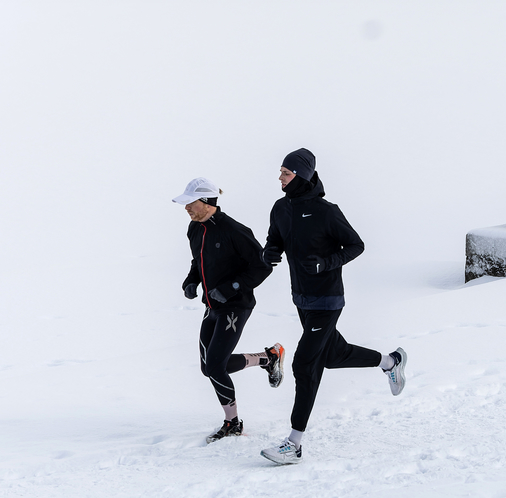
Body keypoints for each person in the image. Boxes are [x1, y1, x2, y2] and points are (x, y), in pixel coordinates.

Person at [259, 149, 406, 465]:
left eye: (286, 173)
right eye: (281, 172)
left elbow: (356, 245)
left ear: (302, 176)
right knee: (333, 355)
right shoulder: (281, 208)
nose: (280, 178)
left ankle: (293, 444)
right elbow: (275, 239)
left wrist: (325, 263)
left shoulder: (327, 212)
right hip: (301, 298)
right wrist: (268, 253)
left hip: (327, 300)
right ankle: (391, 362)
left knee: (304, 365)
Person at [172, 177, 285, 444]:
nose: (186, 208)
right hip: (212, 306)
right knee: (208, 367)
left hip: (236, 305)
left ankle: (232, 423)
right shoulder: (194, 228)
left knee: (215, 366)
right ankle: (268, 358)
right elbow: (197, 260)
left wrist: (232, 287)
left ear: (208, 202)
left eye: (191, 203)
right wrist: (192, 280)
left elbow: (262, 266)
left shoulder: (235, 230)